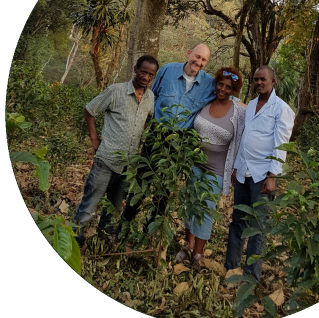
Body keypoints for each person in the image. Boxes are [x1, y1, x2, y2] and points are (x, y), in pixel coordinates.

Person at [119, 43, 242, 231]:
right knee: (143, 182)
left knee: (165, 189)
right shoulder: (167, 70)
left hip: (180, 142)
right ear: (189, 53)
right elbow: (151, 96)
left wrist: (249, 107)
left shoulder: (209, 83)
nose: (199, 62)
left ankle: (150, 232)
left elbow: (226, 94)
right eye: (197, 57)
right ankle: (123, 228)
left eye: (203, 60)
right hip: (157, 136)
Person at [73, 55, 159, 248]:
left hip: (127, 166)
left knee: (112, 210)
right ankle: (73, 245)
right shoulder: (116, 91)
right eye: (143, 72)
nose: (146, 77)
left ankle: (103, 244)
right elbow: (90, 110)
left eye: (150, 74)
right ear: (136, 69)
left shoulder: (150, 97)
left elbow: (149, 119)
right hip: (106, 160)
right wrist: (94, 139)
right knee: (89, 206)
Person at [224, 65, 295, 284]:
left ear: (273, 81)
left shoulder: (281, 109)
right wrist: (236, 166)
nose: (259, 83)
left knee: (258, 226)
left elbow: (281, 143)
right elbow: (245, 138)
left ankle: (250, 276)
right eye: (255, 79)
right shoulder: (252, 105)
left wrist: (273, 175)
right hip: (244, 171)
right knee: (238, 220)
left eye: (263, 79)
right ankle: (231, 266)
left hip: (262, 175)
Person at [176, 67, 246, 270]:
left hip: (216, 169)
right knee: (190, 204)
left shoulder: (239, 111)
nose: (223, 89)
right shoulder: (205, 100)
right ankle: (187, 245)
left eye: (229, 87)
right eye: (221, 84)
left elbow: (242, 139)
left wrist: (235, 167)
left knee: (205, 208)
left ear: (234, 90)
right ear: (216, 84)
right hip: (194, 163)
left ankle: (198, 254)